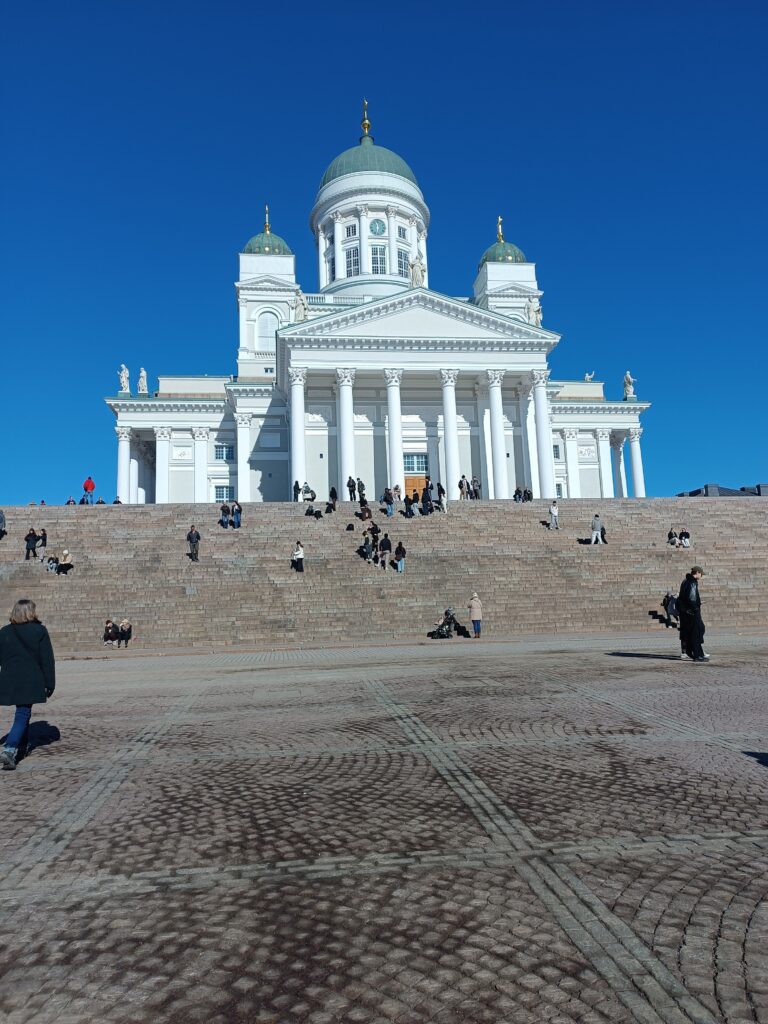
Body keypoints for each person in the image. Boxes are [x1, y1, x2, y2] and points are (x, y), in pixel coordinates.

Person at [0, 599, 56, 771]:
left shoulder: (4, 632)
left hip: (9, 678)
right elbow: (47, 660)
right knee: (23, 713)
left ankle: (20, 748)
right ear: (31, 612)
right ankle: (10, 749)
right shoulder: (39, 630)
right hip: (30, 679)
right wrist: (50, 683)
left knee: (23, 713)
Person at [678, 566, 708, 662]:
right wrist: (695, 608)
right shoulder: (692, 582)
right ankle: (697, 655)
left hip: (685, 612)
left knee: (692, 632)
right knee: (696, 632)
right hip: (691, 612)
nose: (701, 576)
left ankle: (691, 652)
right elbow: (691, 598)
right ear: (697, 572)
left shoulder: (685, 581)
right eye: (701, 574)